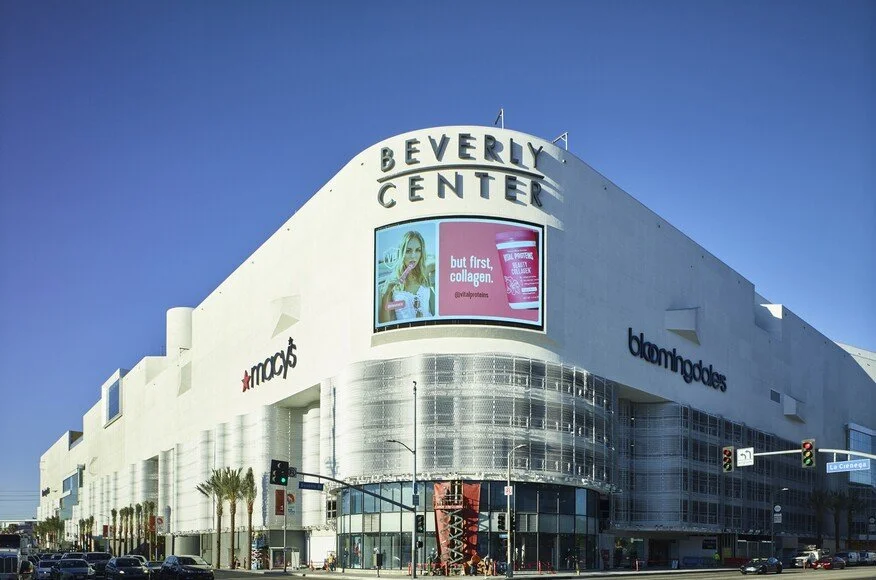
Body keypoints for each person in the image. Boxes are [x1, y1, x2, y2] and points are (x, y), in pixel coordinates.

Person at [378, 230, 435, 322]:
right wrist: (387, 293)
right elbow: (385, 322)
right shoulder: (393, 281)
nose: (413, 256)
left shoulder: (423, 272)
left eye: (418, 250)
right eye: (408, 251)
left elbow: (439, 263)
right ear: (402, 253)